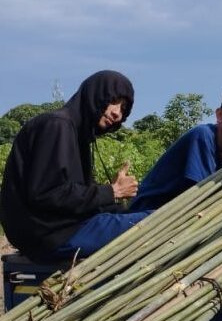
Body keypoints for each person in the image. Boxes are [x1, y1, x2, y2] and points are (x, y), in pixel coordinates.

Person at [0, 70, 147, 261]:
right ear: (95, 95)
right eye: (114, 100)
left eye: (123, 107)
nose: (117, 112)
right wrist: (112, 191)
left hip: (62, 228)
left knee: (144, 210)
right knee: (158, 221)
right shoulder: (57, 126)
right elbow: (47, 194)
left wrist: (110, 197)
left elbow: (71, 195)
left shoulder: (78, 135)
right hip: (50, 235)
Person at [129, 84, 222, 211]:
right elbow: (203, 193)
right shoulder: (203, 136)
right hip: (149, 211)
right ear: (220, 115)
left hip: (181, 210)